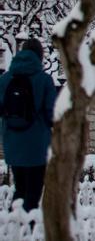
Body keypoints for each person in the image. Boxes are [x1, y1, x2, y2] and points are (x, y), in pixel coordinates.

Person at [0, 38, 57, 210]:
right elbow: (51, 113)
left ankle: (13, 225)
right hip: (37, 144)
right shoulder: (44, 80)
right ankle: (27, 229)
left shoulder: (5, 79)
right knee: (33, 190)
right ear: (40, 56)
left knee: (20, 187)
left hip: (12, 141)